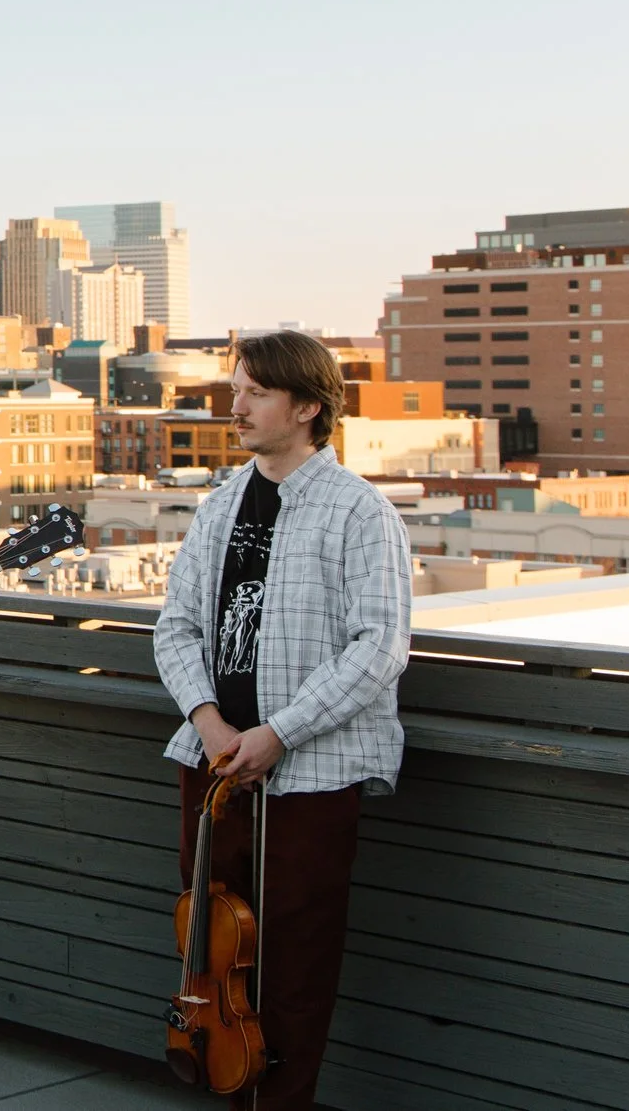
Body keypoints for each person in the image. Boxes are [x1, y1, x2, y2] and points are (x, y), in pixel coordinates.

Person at [152, 330, 412, 1111]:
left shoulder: (360, 511)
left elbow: (380, 647)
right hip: (213, 763)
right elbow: (175, 626)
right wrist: (208, 719)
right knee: (212, 958)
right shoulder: (220, 504)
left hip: (310, 773)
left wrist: (279, 733)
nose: (236, 407)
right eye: (236, 389)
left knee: (294, 967)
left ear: (307, 406)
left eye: (255, 393)